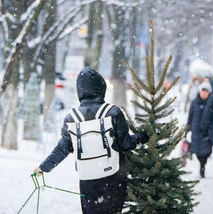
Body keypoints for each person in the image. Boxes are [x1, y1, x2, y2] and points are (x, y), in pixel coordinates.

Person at [33, 67, 149, 214]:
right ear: (102, 88)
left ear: (79, 91)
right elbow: (127, 144)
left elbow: (62, 149)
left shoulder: (71, 118)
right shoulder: (113, 112)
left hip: (87, 179)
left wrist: (43, 168)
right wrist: (145, 136)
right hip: (113, 177)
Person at [186, 82, 213, 178]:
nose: (204, 93)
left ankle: (203, 165)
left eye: (206, 91)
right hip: (196, 130)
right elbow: (190, 116)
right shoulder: (194, 102)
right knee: (197, 151)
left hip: (207, 131)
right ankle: (202, 166)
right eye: (202, 91)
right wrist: (187, 129)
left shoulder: (211, 102)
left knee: (206, 151)